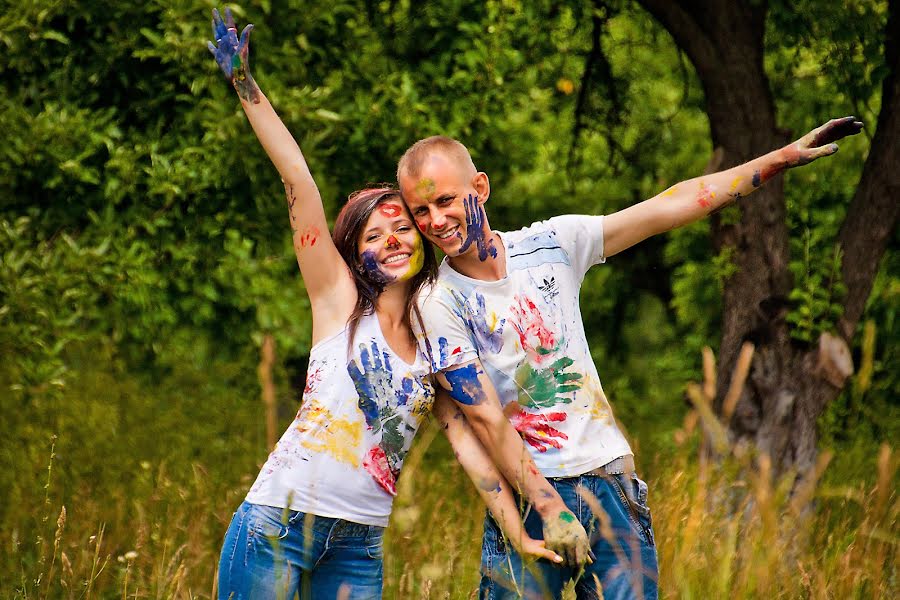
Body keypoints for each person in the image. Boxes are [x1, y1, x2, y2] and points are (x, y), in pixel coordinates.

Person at [206, 8, 592, 599]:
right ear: (351, 250)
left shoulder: (438, 337)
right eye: (373, 235)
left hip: (361, 547)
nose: (392, 241)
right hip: (276, 524)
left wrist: (517, 532)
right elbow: (298, 181)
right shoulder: (335, 302)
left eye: (403, 228)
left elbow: (470, 448)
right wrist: (246, 86)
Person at [398, 117, 863, 599]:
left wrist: (779, 159)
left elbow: (671, 204)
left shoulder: (551, 244)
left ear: (480, 187)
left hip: (609, 485)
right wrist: (550, 508)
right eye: (420, 211)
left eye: (445, 200)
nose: (435, 220)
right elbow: (487, 420)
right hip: (531, 501)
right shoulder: (437, 303)